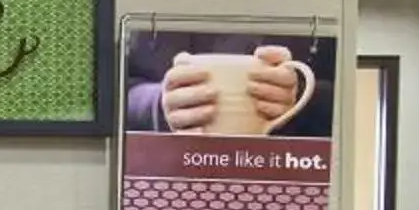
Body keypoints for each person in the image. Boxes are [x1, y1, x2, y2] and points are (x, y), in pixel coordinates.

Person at [125, 40, 310, 132]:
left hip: (291, 167)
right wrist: (158, 103)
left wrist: (297, 91)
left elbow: (337, 94)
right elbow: (106, 91)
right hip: (161, 170)